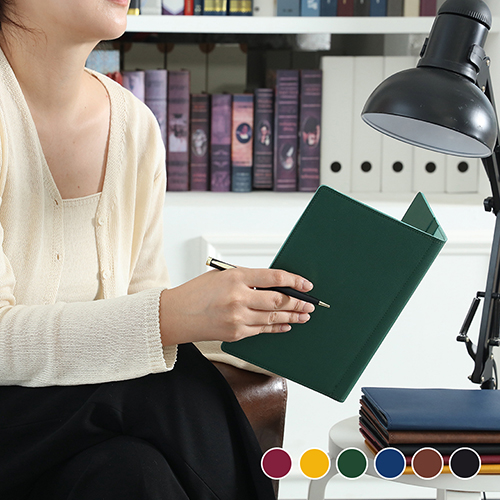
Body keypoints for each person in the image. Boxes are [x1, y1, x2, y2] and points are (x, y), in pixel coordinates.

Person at [0, 1, 316, 499]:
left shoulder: (134, 126)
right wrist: (170, 317)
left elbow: (140, 315)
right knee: (161, 385)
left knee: (133, 472)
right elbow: (149, 327)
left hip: (70, 437)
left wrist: (254, 320)